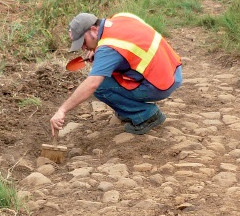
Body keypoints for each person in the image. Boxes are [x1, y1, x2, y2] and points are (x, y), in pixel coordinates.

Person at [50, 12, 183, 138]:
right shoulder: (120, 18)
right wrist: (98, 50)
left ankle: (146, 115)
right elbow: (128, 45)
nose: (83, 48)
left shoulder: (108, 48)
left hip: (161, 84)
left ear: (93, 30)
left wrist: (62, 110)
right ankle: (131, 109)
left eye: (83, 42)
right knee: (107, 72)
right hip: (173, 70)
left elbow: (92, 83)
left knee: (101, 86)